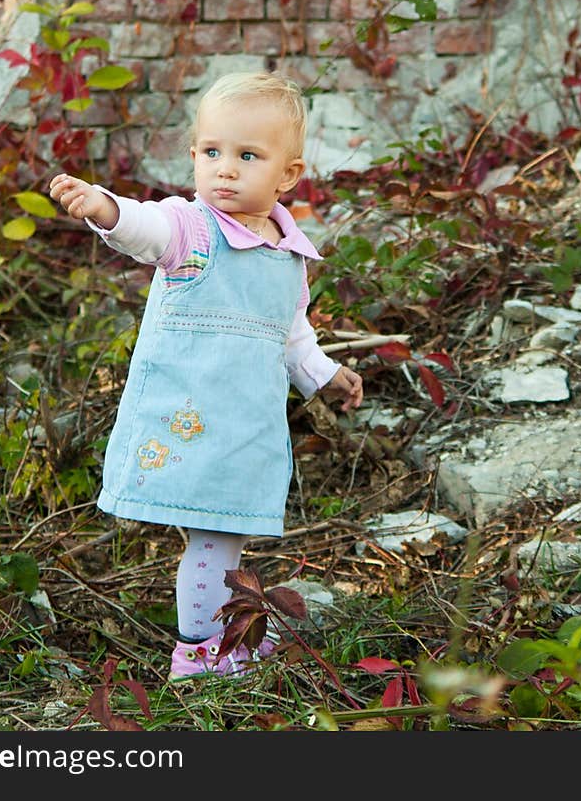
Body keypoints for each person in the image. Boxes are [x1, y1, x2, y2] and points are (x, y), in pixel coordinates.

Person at [48, 70, 363, 682]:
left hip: (245, 424)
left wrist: (324, 376)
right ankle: (199, 653)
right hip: (188, 415)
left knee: (228, 539)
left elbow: (291, 335)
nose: (225, 169)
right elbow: (146, 228)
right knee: (213, 540)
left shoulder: (288, 253)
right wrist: (105, 207)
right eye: (211, 153)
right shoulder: (193, 229)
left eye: (247, 156)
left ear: (288, 175)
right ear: (193, 156)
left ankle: (227, 637)